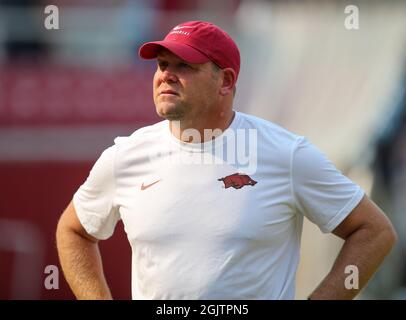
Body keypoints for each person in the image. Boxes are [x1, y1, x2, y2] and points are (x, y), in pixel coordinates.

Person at [56, 20, 397, 300]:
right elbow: (73, 230)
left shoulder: (286, 154)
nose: (166, 76)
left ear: (227, 80)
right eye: (162, 65)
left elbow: (375, 231)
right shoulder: (125, 156)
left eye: (184, 66)